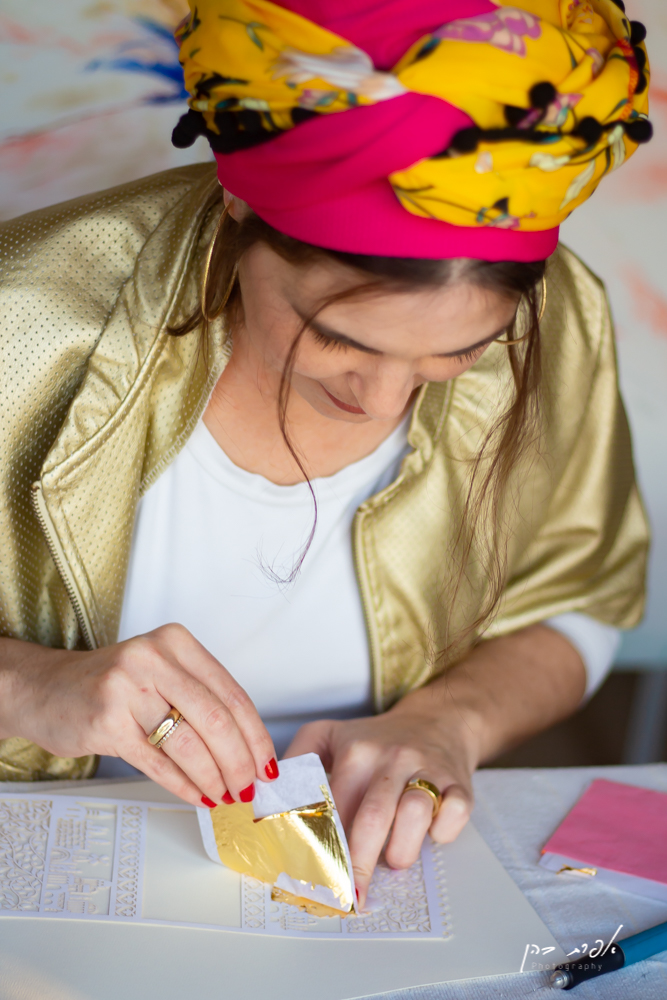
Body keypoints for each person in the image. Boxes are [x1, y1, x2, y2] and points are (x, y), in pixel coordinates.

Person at [0, 0, 652, 906]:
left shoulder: (560, 320)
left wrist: (445, 721)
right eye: (339, 339)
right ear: (239, 204)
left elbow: (576, 597)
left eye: (453, 357)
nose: (382, 403)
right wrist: (25, 684)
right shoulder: (20, 326)